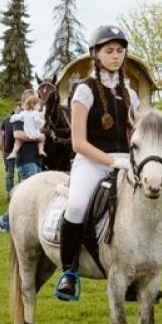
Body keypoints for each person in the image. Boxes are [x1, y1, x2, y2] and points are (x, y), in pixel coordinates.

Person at [53, 24, 140, 302]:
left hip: (126, 162)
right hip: (91, 161)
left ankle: (140, 271)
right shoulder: (84, 91)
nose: (116, 56)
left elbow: (135, 134)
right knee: (77, 205)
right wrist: (112, 161)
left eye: (120, 51)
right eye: (109, 51)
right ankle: (69, 270)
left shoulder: (131, 94)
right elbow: (78, 142)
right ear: (96, 54)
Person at [11, 89, 44, 181]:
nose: (38, 102)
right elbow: (17, 134)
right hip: (27, 160)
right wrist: (39, 137)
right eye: (36, 99)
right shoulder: (21, 115)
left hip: (34, 160)